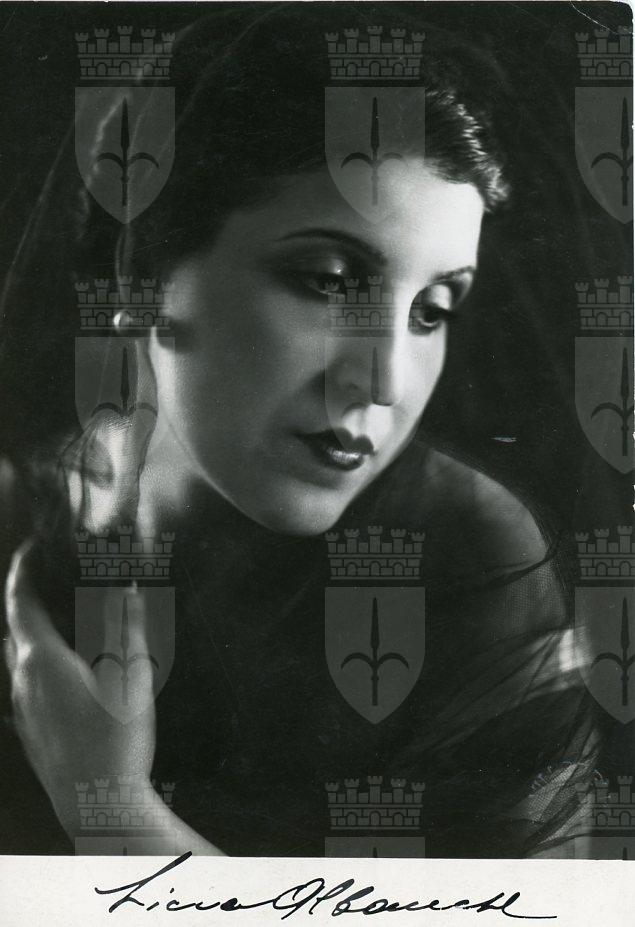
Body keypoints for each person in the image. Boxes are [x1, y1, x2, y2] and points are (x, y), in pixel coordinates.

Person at [1, 4, 601, 858]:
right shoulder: (19, 521)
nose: (386, 381)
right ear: (140, 274)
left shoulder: (471, 553)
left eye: (432, 310)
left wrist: (112, 809)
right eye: (326, 279)